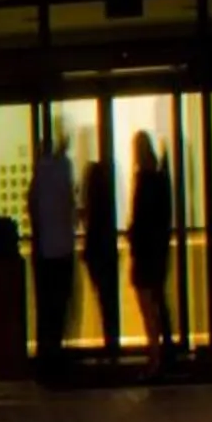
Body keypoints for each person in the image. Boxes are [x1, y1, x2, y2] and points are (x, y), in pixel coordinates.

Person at [30, 131, 77, 378]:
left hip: (46, 250)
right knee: (59, 307)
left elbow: (33, 205)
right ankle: (55, 354)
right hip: (62, 248)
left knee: (47, 308)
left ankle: (47, 357)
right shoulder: (62, 168)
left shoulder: (41, 172)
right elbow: (69, 202)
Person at [128, 130, 174, 380]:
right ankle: (162, 354)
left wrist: (134, 240)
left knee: (149, 307)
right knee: (158, 304)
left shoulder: (145, 180)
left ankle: (155, 357)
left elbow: (141, 219)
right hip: (157, 253)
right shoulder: (160, 178)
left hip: (146, 254)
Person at [83, 150, 121, 360]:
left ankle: (110, 345)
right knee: (108, 302)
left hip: (97, 256)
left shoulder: (94, 208)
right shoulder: (107, 204)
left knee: (104, 302)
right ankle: (111, 344)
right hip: (107, 254)